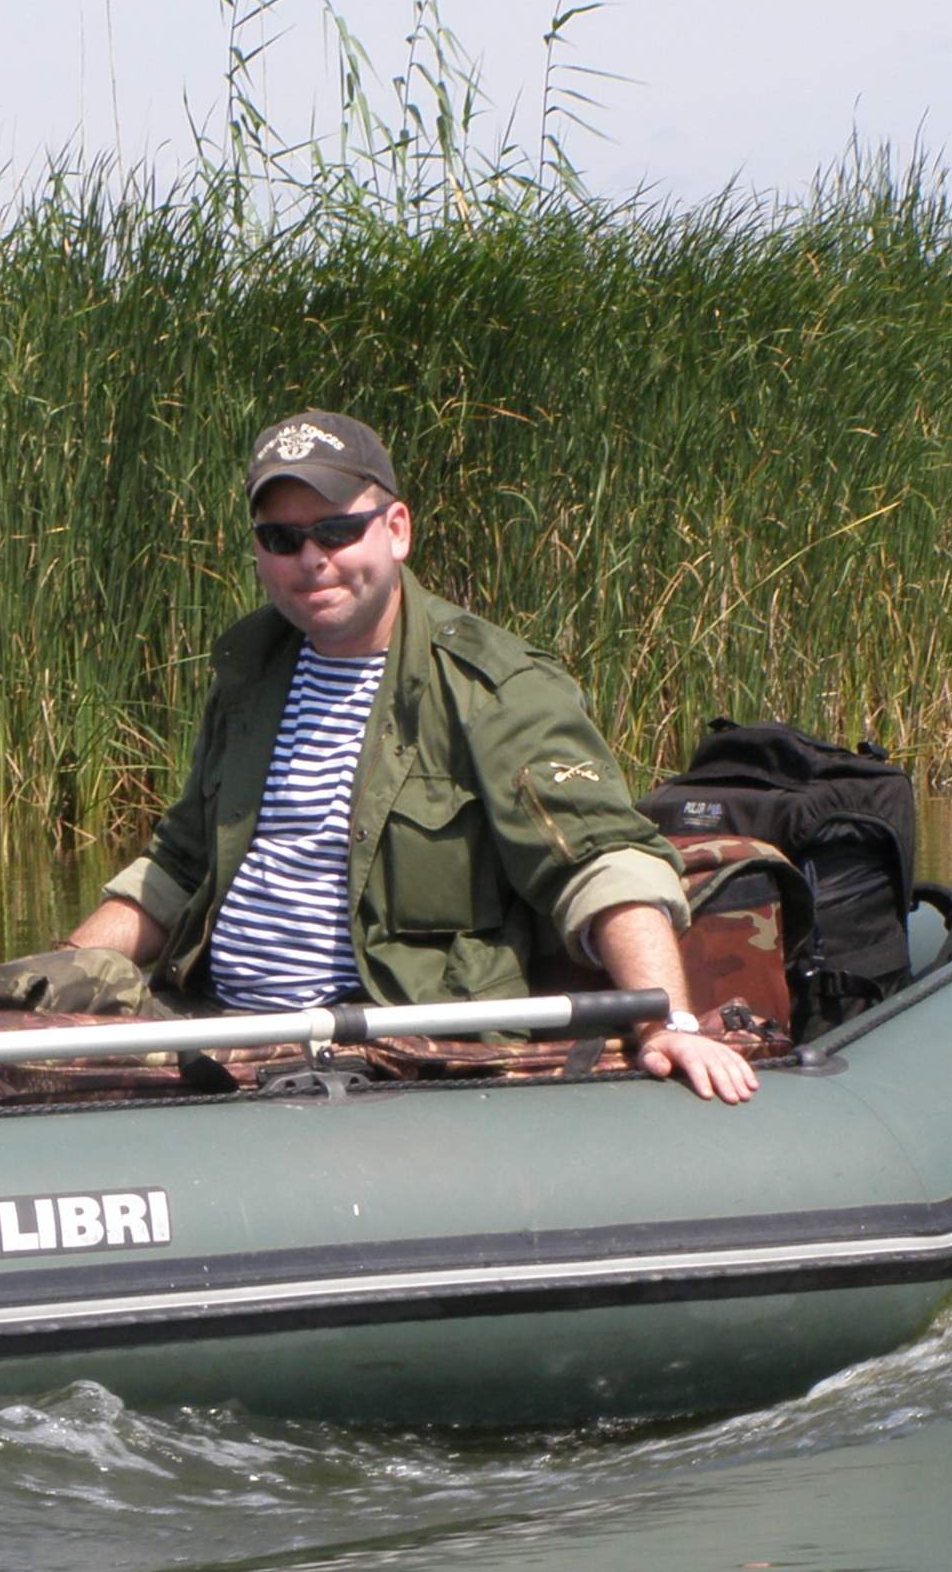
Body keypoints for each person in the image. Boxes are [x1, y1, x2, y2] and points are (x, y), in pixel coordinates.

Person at [64, 413, 759, 1104]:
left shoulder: (495, 687)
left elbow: (601, 862)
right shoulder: (247, 671)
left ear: (396, 529)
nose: (312, 559)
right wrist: (63, 974)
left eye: (337, 531)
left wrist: (667, 1022)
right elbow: (178, 866)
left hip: (389, 1045)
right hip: (220, 1024)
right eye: (282, 539)